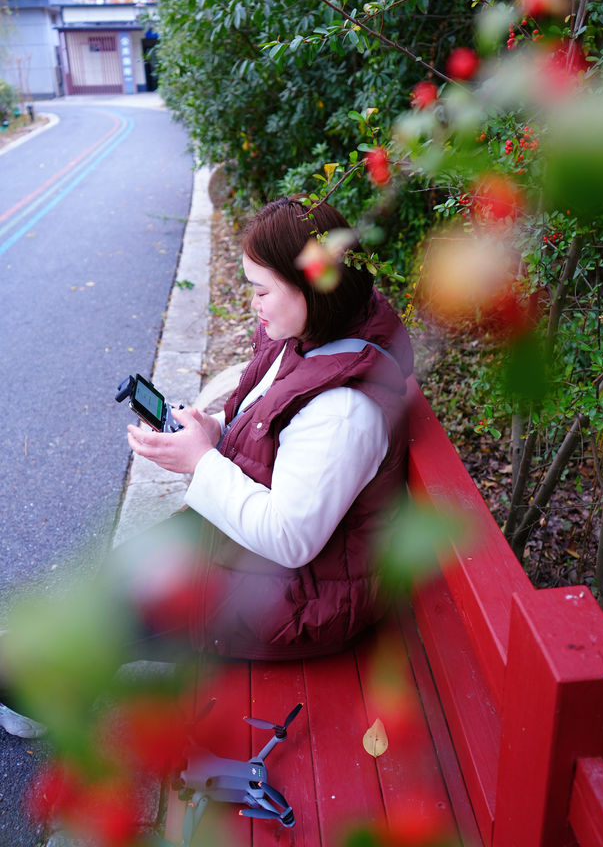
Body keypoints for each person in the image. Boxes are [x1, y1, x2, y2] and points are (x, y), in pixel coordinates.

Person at [0, 197, 413, 736]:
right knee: (118, 580)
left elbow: (291, 539)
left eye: (262, 291)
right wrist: (216, 431)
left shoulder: (345, 411)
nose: (254, 305)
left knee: (104, 615)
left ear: (314, 286)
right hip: (260, 554)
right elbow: (273, 424)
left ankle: (30, 691)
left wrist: (200, 461)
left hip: (303, 598)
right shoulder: (314, 335)